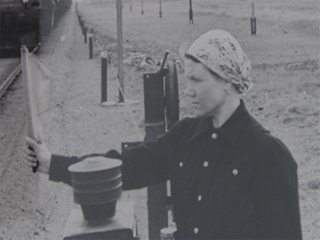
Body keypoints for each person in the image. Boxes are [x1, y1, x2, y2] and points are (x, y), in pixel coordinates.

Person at [25, 29, 302, 239]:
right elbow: (125, 167)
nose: (188, 90)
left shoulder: (268, 154)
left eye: (196, 80)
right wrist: (53, 164)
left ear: (227, 80)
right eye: (186, 79)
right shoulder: (184, 136)